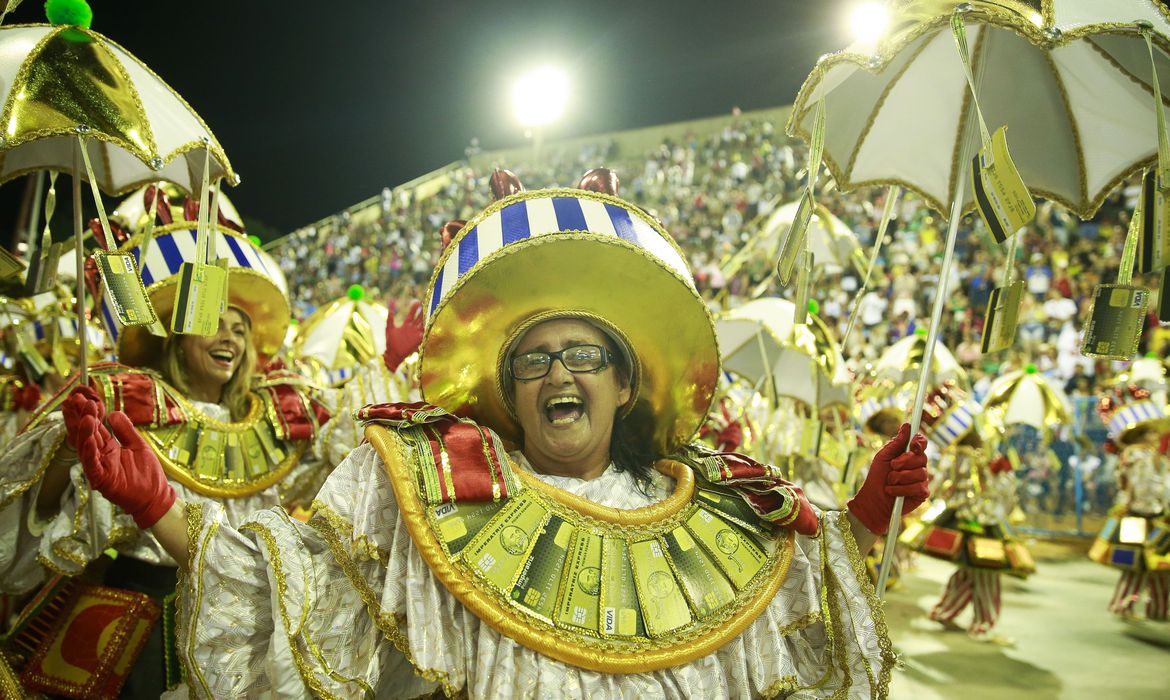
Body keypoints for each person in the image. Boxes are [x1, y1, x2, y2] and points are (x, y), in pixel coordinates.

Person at [63, 171, 929, 698]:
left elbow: (797, 621)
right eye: (533, 359)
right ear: (506, 393)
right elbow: (286, 592)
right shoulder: (423, 486)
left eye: (585, 354)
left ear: (625, 385)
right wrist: (158, 503)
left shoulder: (717, 506)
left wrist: (860, 520)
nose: (559, 374)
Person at [0, 210, 330, 698]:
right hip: (140, 616)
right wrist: (69, 453)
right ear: (178, 336)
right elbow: (43, 525)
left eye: (239, 329)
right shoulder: (128, 406)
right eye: (213, 323)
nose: (230, 339)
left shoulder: (279, 420)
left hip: (244, 616)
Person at [901, 382, 1034, 644]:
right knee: (987, 573)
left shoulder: (956, 456)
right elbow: (992, 492)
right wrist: (1005, 474)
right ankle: (984, 625)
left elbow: (942, 489)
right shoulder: (981, 459)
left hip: (961, 520)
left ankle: (945, 610)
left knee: (968, 570)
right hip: (982, 521)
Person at [1090, 374, 1170, 621]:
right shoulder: (1137, 457)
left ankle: (1157, 608)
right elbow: (1144, 488)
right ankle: (1123, 605)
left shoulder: (1147, 456)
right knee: (1136, 564)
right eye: (1150, 433)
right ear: (1140, 436)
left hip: (1153, 513)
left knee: (1158, 565)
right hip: (1141, 514)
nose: (1156, 436)